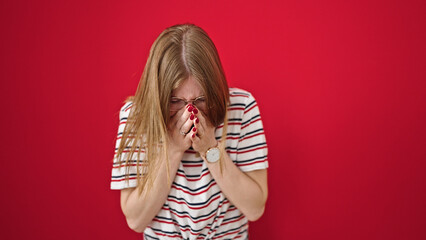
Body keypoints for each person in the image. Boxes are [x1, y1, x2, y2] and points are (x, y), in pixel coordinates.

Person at [110, 23, 269, 240]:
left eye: (201, 99)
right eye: (175, 101)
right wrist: (174, 150)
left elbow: (255, 208)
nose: (189, 112)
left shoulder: (242, 107)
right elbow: (136, 220)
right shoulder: (136, 116)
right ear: (159, 94)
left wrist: (210, 150)